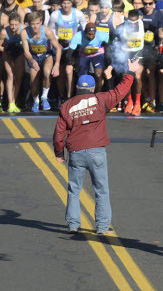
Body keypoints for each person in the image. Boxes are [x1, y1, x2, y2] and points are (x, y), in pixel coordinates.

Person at [52, 58, 140, 236]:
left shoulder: (67, 106)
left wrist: (59, 152)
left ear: (77, 87)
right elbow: (121, 90)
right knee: (101, 190)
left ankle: (73, 224)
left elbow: (59, 133)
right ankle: (102, 226)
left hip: (76, 152)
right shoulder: (100, 99)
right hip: (96, 151)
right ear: (92, 88)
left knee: (74, 189)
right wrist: (130, 72)